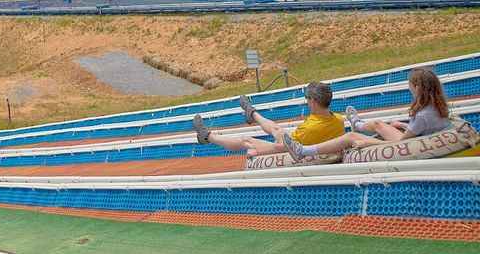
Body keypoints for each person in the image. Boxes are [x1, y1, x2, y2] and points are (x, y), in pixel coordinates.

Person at [282, 67, 452, 161]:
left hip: (405, 142)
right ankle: (358, 123)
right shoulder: (435, 106)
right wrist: (403, 125)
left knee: (352, 137)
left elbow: (403, 144)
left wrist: (368, 143)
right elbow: (420, 130)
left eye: (410, 85)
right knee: (383, 124)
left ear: (417, 87)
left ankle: (303, 151)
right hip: (413, 137)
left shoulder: (423, 114)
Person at [192, 82, 344, 157]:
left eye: (306, 98)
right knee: (276, 129)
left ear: (312, 101)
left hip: (290, 150)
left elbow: (282, 145)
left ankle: (207, 136)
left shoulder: (311, 127)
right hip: (305, 142)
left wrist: (262, 147)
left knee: (247, 140)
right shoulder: (338, 119)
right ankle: (252, 113)